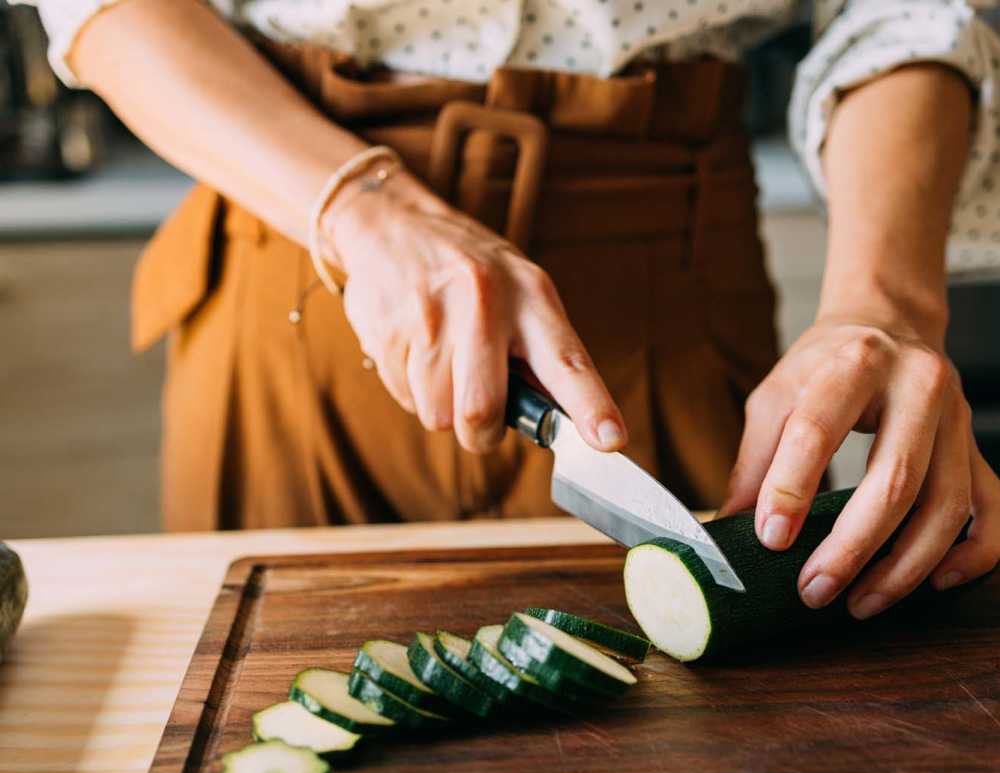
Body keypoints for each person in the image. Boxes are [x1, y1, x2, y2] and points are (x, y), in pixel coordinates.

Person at [17, 0, 1000, 621]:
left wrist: (887, 302)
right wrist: (357, 205)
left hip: (673, 306)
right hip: (289, 259)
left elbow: (909, 12)